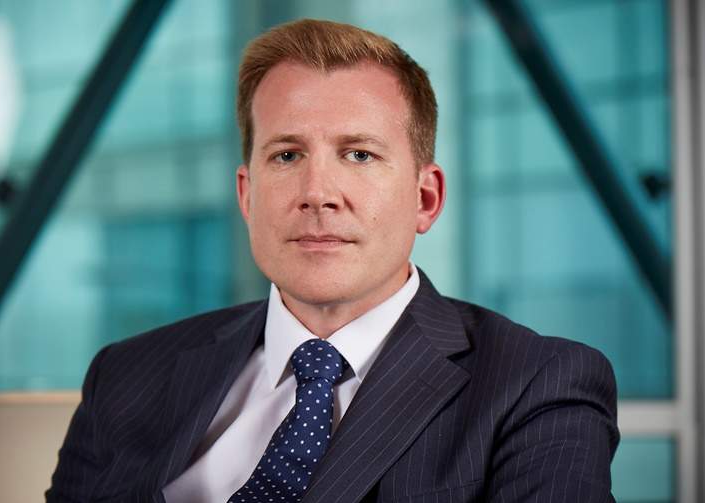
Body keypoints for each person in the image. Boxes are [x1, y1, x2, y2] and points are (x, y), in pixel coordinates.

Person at [47, 19, 619, 503]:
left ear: (426, 199)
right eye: (287, 155)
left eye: (359, 154)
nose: (317, 193)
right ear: (247, 196)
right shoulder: (126, 375)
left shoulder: (537, 386)